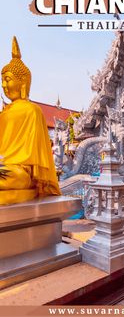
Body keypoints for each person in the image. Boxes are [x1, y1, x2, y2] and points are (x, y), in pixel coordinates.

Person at [0, 36, 61, 204]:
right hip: (3, 167)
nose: (4, 85)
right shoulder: (3, 114)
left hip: (20, 172)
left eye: (8, 80)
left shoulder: (32, 111)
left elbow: (36, 157)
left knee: (13, 176)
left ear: (23, 83)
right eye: (2, 81)